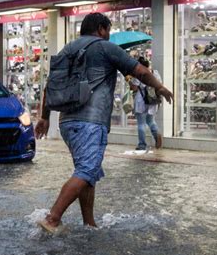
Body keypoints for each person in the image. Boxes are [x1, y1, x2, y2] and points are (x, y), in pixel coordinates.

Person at [34, 13, 173, 233]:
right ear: (100, 29)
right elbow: (141, 71)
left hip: (67, 122)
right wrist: (161, 87)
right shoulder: (105, 47)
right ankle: (53, 218)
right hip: (91, 122)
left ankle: (89, 224)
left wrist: (44, 117)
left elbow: (50, 87)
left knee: (87, 173)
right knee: (87, 170)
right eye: (108, 30)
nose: (108, 35)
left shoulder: (67, 50)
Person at [129, 57, 162, 150]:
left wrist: (129, 81)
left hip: (141, 100)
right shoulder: (155, 72)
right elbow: (159, 85)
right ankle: (157, 134)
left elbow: (134, 88)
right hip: (152, 100)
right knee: (151, 121)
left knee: (141, 123)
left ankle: (142, 145)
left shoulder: (139, 73)